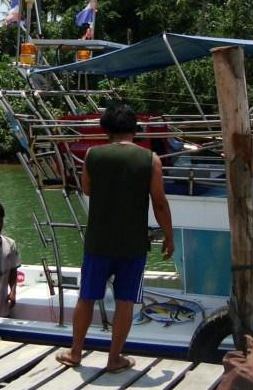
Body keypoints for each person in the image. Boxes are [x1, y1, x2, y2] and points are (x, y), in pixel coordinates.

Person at [56, 101, 173, 373]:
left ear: (105, 129)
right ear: (135, 129)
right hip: (132, 244)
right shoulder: (151, 159)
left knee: (87, 297)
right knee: (125, 301)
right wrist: (169, 236)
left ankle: (75, 352)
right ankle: (114, 358)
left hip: (98, 240)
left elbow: (87, 189)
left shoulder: (93, 156)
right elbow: (159, 202)